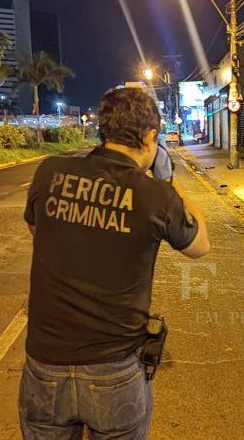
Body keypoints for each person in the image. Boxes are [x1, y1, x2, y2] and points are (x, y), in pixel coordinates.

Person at [19, 88, 210, 439]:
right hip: (114, 371)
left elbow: (38, 229)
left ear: (104, 130)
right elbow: (200, 246)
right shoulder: (156, 195)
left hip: (45, 367)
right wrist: (170, 183)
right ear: (151, 137)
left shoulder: (49, 172)